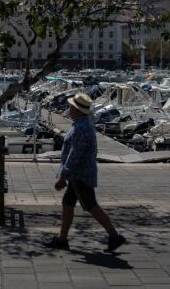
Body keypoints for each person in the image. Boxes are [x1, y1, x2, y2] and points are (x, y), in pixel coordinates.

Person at [46, 92, 126, 252]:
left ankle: (114, 236)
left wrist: (63, 176)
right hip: (79, 174)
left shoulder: (81, 127)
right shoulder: (81, 124)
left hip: (80, 175)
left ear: (77, 110)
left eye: (71, 106)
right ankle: (62, 239)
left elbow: (75, 155)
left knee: (91, 206)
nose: (68, 109)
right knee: (67, 204)